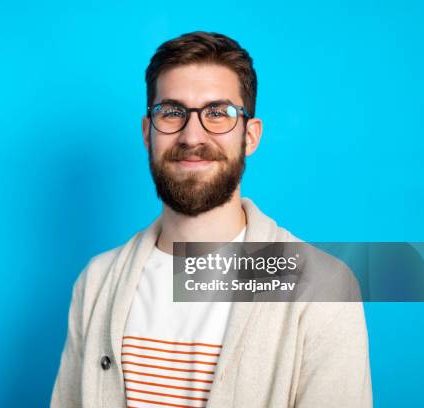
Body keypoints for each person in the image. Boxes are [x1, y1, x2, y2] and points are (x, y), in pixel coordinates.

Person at [51, 31, 372, 408]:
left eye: (218, 114)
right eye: (171, 112)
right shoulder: (96, 281)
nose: (192, 135)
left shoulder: (322, 288)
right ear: (147, 132)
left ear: (250, 136)